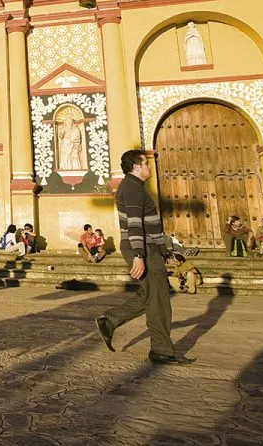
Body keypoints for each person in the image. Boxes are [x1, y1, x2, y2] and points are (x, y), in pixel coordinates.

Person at [94, 150, 188, 365]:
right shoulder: (132, 189)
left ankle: (110, 321)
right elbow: (135, 224)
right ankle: (161, 350)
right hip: (142, 248)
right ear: (136, 166)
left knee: (152, 293)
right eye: (146, 163)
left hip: (148, 248)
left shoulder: (135, 188)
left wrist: (166, 253)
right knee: (159, 299)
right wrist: (138, 255)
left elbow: (151, 227)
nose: (149, 167)